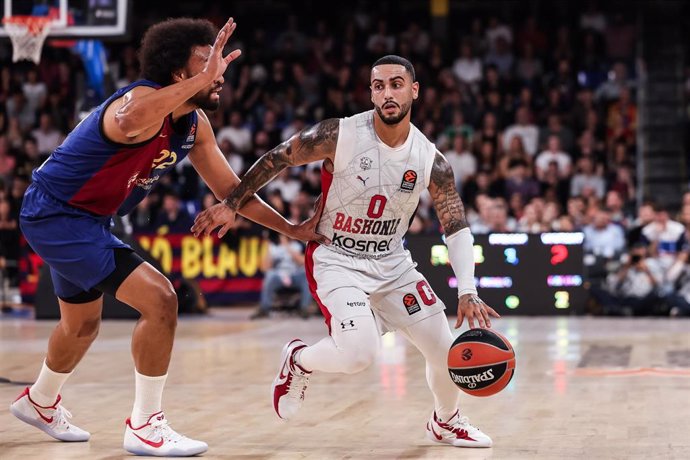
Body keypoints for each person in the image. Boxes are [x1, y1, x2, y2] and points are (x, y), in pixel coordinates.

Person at [11, 18, 324, 457]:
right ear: (179, 74)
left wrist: (292, 229)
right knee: (161, 300)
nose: (218, 76)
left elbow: (232, 191)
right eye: (206, 66)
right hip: (56, 214)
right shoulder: (138, 103)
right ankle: (145, 424)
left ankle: (40, 402)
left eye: (217, 68)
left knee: (81, 325)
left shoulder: (194, 126)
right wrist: (201, 77)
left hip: (90, 221)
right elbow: (130, 116)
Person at [192, 55, 499, 448]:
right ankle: (299, 358)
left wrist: (468, 290)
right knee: (358, 355)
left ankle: (446, 421)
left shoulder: (431, 160)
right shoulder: (340, 134)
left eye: (396, 84)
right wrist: (231, 203)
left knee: (445, 351)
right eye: (378, 85)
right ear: (371, 91)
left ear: (414, 91)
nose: (387, 93)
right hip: (336, 256)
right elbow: (277, 159)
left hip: (392, 263)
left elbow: (455, 226)